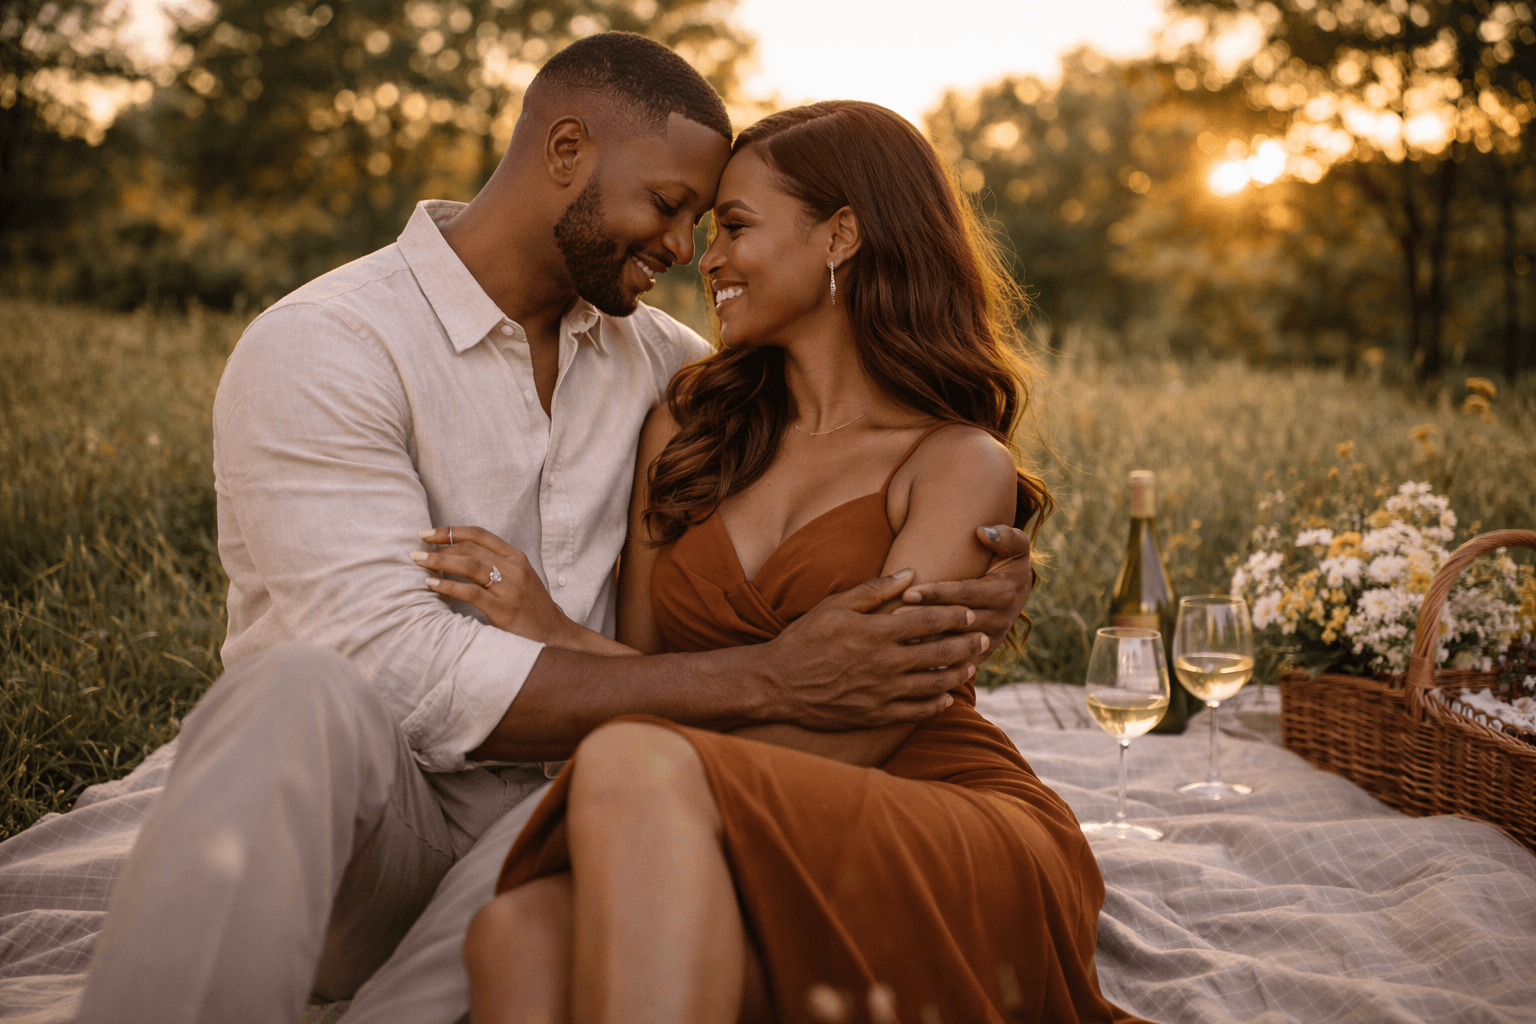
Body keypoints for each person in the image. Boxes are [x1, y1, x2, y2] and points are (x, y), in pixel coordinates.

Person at [75, 36, 1037, 1024]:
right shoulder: (329, 345)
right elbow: (399, 672)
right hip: (376, 839)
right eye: (669, 207)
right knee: (292, 688)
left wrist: (979, 570)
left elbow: (850, 437)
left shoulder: (675, 372)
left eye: (710, 221)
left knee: (550, 923)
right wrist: (775, 675)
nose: (685, 250)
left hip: (593, 818)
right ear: (567, 150)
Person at [442, 102, 1142, 1024]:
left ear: (841, 234)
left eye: (734, 225)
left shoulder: (955, 464)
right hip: (713, 794)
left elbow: (857, 733)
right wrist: (563, 637)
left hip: (931, 807)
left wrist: (618, 716)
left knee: (629, 760)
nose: (704, 256)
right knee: (516, 935)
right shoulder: (689, 430)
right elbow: (662, 677)